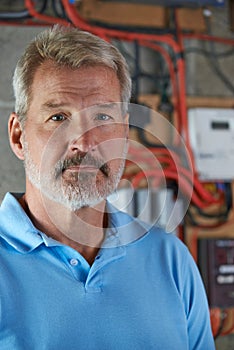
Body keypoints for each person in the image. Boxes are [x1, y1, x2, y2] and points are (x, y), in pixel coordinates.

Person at [0, 25, 214, 350]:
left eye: (102, 116)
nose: (84, 142)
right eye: (58, 117)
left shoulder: (171, 261)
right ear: (18, 136)